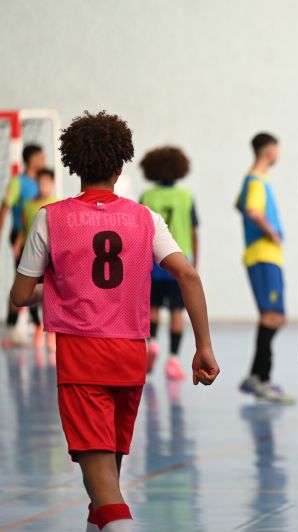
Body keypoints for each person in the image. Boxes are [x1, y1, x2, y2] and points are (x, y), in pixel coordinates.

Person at [10, 110, 219, 532]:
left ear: (73, 166)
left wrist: (60, 286)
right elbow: (189, 275)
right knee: (106, 480)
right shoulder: (146, 218)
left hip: (82, 357)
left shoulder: (51, 218)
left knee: (105, 488)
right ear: (120, 167)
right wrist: (204, 346)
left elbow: (18, 296)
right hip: (130, 356)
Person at [236, 132, 293, 403]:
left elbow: (239, 203)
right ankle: (261, 379)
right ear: (269, 150)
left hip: (267, 256)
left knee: (275, 316)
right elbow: (252, 210)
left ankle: (256, 377)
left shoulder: (253, 179)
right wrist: (272, 232)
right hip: (263, 255)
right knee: (272, 316)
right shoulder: (257, 180)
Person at [139, 146, 199, 381]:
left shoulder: (147, 196)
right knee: (176, 311)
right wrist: (194, 263)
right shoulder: (186, 197)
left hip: (153, 260)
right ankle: (173, 359)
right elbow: (193, 232)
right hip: (179, 259)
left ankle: (152, 343)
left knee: (152, 307)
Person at [1, 143, 45, 348]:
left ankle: (37, 326)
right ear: (32, 159)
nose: (44, 160)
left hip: (41, 238)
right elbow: (6, 206)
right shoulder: (18, 182)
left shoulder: (43, 182)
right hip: (21, 238)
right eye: (41, 157)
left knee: (40, 282)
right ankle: (12, 329)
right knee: (23, 281)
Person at [14, 168, 59, 351]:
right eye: (40, 183)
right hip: (31, 254)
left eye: (46, 182)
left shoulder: (56, 204)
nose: (43, 186)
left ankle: (52, 330)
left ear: (52, 184)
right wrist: (17, 244)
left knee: (49, 291)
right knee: (29, 290)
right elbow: (24, 228)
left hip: (49, 256)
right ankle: (37, 326)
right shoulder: (28, 205)